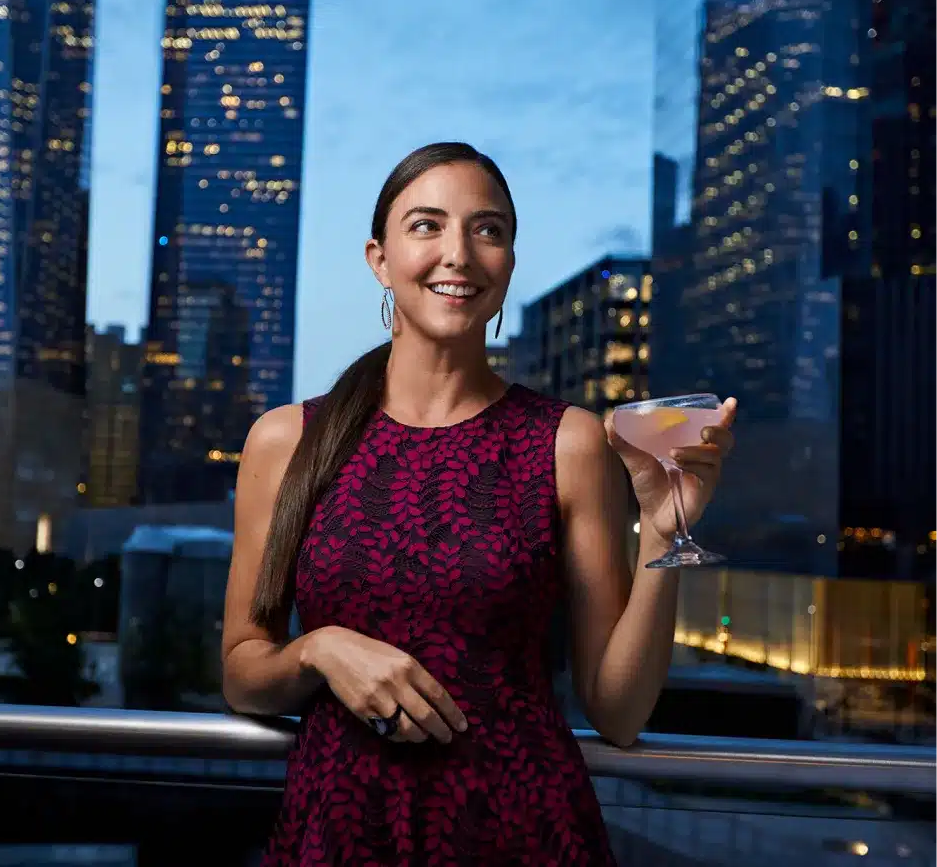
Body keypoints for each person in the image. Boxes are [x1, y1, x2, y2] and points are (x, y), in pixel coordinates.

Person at [222, 142, 737, 865]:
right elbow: (245, 675)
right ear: (379, 258)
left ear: (508, 264)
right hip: (340, 832)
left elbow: (617, 714)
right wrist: (319, 649)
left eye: (487, 229)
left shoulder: (567, 442)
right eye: (426, 226)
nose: (458, 253)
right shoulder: (286, 440)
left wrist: (661, 531)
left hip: (521, 832)